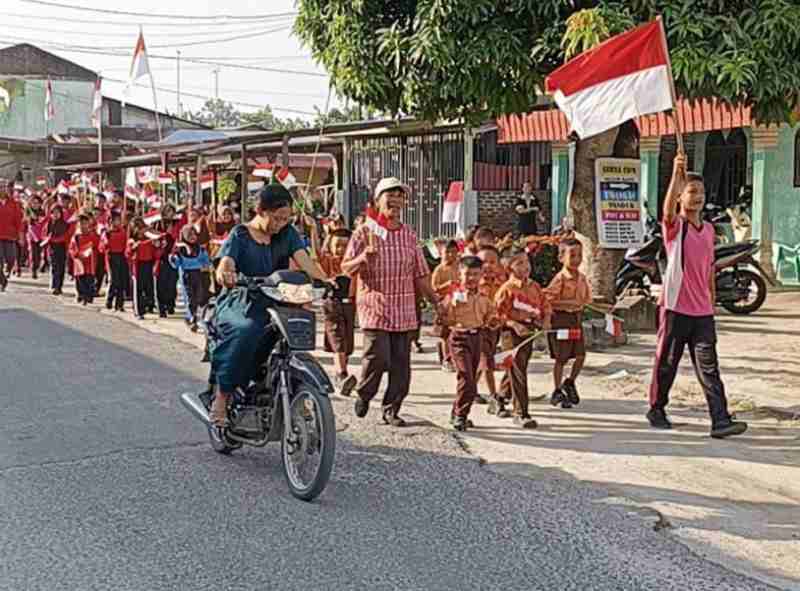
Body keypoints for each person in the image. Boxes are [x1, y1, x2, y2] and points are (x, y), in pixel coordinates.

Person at [208, 184, 332, 427]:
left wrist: (327, 281)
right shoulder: (240, 235)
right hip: (242, 300)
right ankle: (221, 397)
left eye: (286, 219)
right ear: (261, 211)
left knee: (296, 331)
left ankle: (294, 391)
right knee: (246, 331)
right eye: (277, 218)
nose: (281, 224)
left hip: (277, 298)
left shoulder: (288, 234)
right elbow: (226, 262)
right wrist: (226, 273)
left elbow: (306, 263)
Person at [648, 153, 747, 439]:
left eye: (701, 192)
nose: (698, 197)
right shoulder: (676, 228)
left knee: (709, 367)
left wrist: (712, 302)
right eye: (691, 191)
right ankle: (656, 408)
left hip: (702, 312)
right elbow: (667, 211)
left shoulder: (709, 230)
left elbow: (709, 269)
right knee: (667, 363)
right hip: (675, 308)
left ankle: (720, 419)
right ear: (681, 196)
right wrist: (676, 173)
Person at [342, 177, 440, 427]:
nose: (395, 200)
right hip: (375, 307)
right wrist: (363, 258)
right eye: (390, 195)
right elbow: (345, 267)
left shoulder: (409, 235)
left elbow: (421, 274)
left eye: (400, 196)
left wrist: (437, 302)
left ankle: (391, 408)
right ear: (378, 200)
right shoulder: (364, 232)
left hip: (404, 311)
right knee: (378, 357)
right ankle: (364, 393)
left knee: (401, 366)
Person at [494, 247, 551, 428]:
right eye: (519, 263)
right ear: (509, 267)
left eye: (527, 262)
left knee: (516, 367)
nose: (526, 266)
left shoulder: (534, 286)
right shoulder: (507, 289)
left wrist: (545, 320)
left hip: (528, 331)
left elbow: (545, 306)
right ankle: (521, 412)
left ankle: (499, 397)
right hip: (511, 333)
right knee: (518, 371)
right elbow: (497, 315)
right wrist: (514, 324)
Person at [441, 255, 497, 431]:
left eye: (476, 274)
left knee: (469, 378)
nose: (471, 278)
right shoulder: (454, 295)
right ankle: (461, 415)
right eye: (467, 274)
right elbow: (444, 317)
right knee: (467, 378)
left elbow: (490, 315)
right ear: (460, 274)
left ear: (481, 275)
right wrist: (446, 313)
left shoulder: (483, 297)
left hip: (477, 337)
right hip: (459, 338)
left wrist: (493, 321)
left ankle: (456, 412)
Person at [544, 239, 592, 409]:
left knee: (580, 355)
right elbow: (548, 300)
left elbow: (586, 299)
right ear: (561, 258)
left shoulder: (582, 278)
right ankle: (557, 390)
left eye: (579, 255)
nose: (576, 259)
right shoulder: (560, 279)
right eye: (572, 255)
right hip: (561, 320)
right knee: (561, 357)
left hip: (575, 319)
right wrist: (568, 303)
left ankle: (570, 382)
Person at [319, 228, 358, 396]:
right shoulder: (328, 260)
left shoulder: (355, 263)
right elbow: (317, 255)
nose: (341, 249)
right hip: (332, 303)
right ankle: (342, 374)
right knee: (337, 337)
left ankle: (340, 374)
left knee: (347, 341)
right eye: (337, 245)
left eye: (345, 245)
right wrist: (314, 231)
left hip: (350, 304)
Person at [477, 245, 507, 415]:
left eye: (492, 262)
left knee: (482, 362)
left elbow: (504, 308)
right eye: (483, 262)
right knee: (487, 362)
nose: (488, 266)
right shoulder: (472, 286)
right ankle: (494, 397)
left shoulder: (502, 286)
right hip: (478, 329)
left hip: (494, 329)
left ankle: (470, 389)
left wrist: (500, 320)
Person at [170, 225, 211, 332]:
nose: (192, 237)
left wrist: (207, 263)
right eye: (189, 235)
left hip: (198, 275)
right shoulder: (181, 250)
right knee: (190, 298)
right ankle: (192, 319)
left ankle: (190, 317)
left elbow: (206, 262)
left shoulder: (200, 249)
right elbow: (176, 264)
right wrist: (173, 258)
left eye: (194, 234)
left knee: (199, 297)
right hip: (186, 275)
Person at [431, 240, 461, 372]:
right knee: (445, 334)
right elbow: (433, 288)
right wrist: (447, 285)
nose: (450, 255)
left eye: (453, 252)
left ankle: (454, 358)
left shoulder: (460, 267)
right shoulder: (439, 269)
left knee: (455, 333)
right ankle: (446, 359)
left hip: (458, 305)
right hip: (444, 306)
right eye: (447, 252)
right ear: (441, 253)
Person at [126, 217, 158, 319]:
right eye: (138, 228)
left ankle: (148, 306)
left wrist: (158, 245)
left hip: (148, 264)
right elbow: (128, 253)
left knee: (148, 287)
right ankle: (138, 311)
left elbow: (156, 253)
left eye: (142, 227)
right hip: (138, 266)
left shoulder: (149, 240)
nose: (141, 230)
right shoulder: (132, 241)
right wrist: (133, 248)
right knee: (138, 289)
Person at [100, 211, 129, 312]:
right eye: (115, 220)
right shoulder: (107, 233)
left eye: (119, 220)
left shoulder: (123, 232)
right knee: (114, 280)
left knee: (122, 281)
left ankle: (120, 304)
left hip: (122, 257)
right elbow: (102, 247)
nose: (117, 222)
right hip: (111, 257)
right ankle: (109, 300)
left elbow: (126, 243)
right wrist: (106, 243)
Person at [68, 213, 100, 305]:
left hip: (90, 262)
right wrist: (76, 254)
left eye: (85, 223)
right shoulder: (76, 237)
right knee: (80, 280)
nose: (83, 226)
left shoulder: (92, 235)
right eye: (81, 224)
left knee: (89, 280)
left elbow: (97, 245)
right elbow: (71, 248)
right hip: (79, 262)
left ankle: (88, 296)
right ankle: (81, 295)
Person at [0, 179, 24, 292]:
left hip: (10, 236)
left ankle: (7, 271)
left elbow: (18, 220)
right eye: (0, 187)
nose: (2, 189)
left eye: (3, 187)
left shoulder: (14, 203)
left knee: (11, 258)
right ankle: (2, 281)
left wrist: (20, 235)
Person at [45, 205, 69, 295]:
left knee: (61, 267)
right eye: (53, 212)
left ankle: (59, 286)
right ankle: (55, 286)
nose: (55, 214)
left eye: (57, 212)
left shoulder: (65, 224)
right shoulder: (49, 223)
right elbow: (44, 234)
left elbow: (66, 236)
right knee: (54, 267)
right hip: (52, 248)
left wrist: (57, 239)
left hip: (62, 248)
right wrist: (48, 238)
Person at [26, 195, 48, 281]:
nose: (35, 204)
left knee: (38, 255)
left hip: (41, 236)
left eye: (37, 203)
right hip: (31, 236)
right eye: (33, 203)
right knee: (32, 253)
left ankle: (38, 266)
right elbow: (27, 224)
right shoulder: (28, 212)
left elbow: (44, 222)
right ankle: (33, 270)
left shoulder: (42, 212)